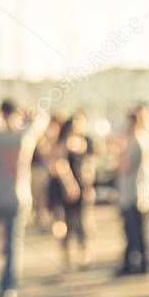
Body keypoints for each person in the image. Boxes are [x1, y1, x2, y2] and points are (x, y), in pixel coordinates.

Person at [0, 100, 49, 297]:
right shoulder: (24, 136)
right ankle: (8, 286)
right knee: (13, 243)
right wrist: (26, 115)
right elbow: (42, 120)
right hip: (20, 194)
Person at [48, 114, 94, 270]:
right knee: (66, 221)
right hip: (67, 187)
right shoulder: (63, 144)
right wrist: (69, 185)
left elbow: (87, 166)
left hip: (82, 183)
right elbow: (61, 165)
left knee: (81, 222)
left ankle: (83, 253)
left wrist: (88, 187)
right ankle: (67, 257)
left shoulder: (82, 142)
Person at [117, 109, 149, 276]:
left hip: (133, 193)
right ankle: (135, 263)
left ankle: (137, 264)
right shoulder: (144, 140)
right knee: (137, 231)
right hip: (139, 192)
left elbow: (123, 167)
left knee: (133, 232)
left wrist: (120, 150)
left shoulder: (135, 142)